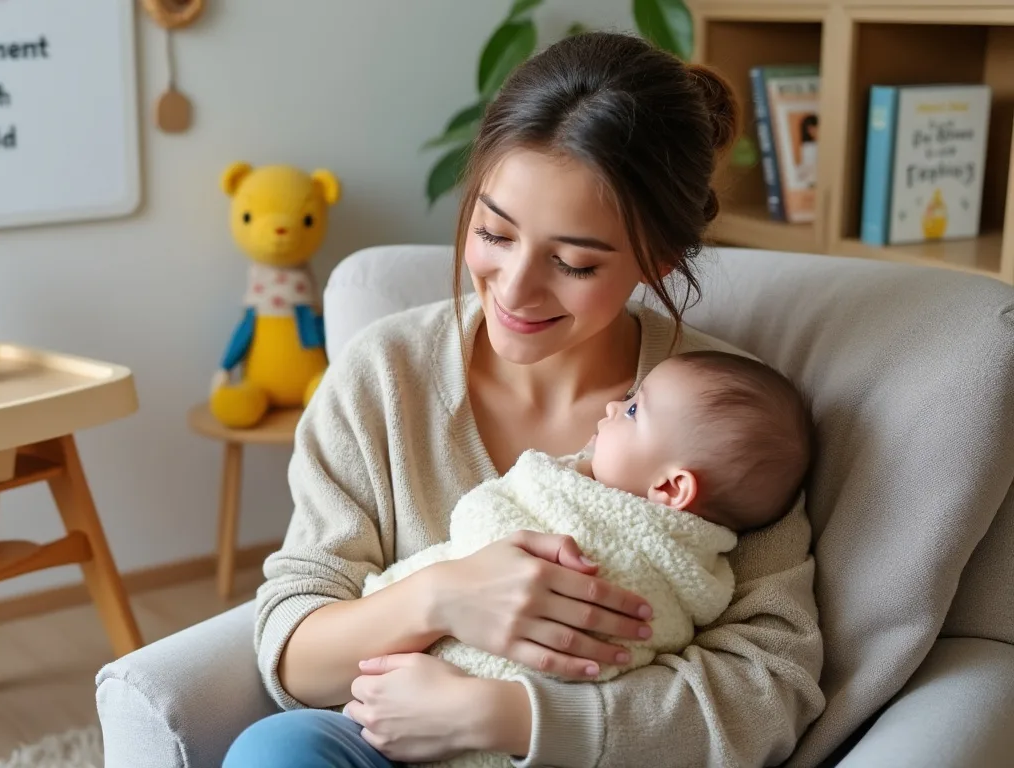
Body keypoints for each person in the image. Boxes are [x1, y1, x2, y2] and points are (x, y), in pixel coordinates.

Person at [223, 30, 825, 768]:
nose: (513, 290)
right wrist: (442, 597)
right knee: (276, 752)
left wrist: (510, 715)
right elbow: (291, 649)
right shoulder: (384, 376)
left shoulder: (722, 418)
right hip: (382, 748)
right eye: (493, 233)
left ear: (658, 258)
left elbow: (769, 688)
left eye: (572, 263)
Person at [355, 350, 815, 768]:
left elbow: (480, 519)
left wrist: (498, 714)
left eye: (634, 410)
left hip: (451, 710)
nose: (615, 407)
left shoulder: (593, 520)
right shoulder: (699, 575)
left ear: (671, 488)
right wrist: (440, 595)